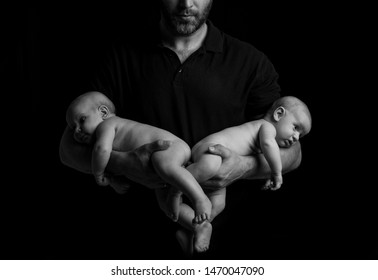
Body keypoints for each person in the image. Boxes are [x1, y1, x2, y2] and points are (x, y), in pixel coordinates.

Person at [59, 0, 303, 256]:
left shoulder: (251, 62)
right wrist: (122, 163)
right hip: (133, 239)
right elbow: (67, 150)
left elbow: (294, 153)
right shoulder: (120, 56)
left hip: (232, 240)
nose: (186, 3)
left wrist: (242, 167)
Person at [164, 95, 312, 254]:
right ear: (278, 114)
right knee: (209, 166)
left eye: (301, 135)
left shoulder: (268, 138)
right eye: (296, 128)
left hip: (220, 166)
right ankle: (176, 188)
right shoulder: (266, 128)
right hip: (209, 149)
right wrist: (276, 173)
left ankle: (194, 228)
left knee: (218, 204)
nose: (296, 138)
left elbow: (270, 153)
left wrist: (267, 175)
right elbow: (269, 147)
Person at [65, 91, 212, 224]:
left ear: (103, 112)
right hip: (163, 159)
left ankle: (200, 199)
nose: (77, 131)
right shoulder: (105, 130)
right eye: (73, 127)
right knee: (165, 204)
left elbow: (102, 150)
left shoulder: (107, 125)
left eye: (82, 120)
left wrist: (98, 173)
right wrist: (113, 181)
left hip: (169, 147)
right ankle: (199, 227)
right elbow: (116, 163)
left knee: (166, 166)